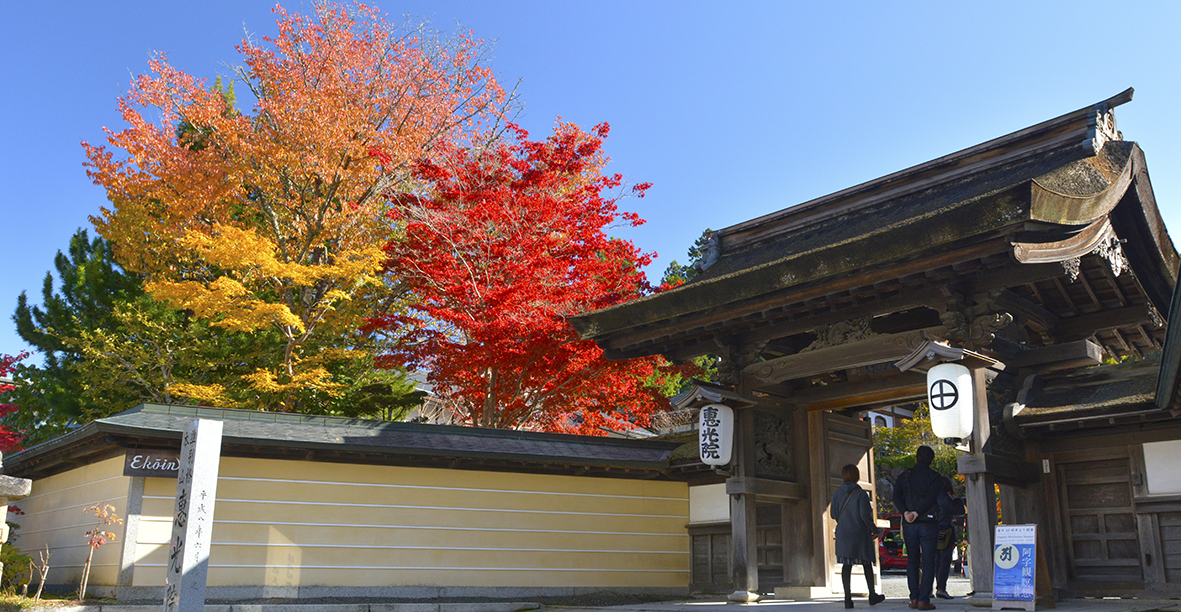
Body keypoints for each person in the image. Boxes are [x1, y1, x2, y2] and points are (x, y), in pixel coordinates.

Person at [892, 445, 942, 610]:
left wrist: (906, 512)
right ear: (931, 461)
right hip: (928, 523)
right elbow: (931, 498)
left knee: (912, 561)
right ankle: (923, 599)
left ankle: (913, 598)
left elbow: (896, 496)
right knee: (928, 562)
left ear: (916, 459)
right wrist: (917, 512)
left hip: (909, 524)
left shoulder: (904, 476)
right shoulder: (935, 477)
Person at [831, 463, 885, 608]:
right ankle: (872, 595)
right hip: (860, 533)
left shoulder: (837, 493)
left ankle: (847, 599)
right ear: (856, 476)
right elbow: (865, 515)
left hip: (843, 533)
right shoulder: (861, 494)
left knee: (846, 565)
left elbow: (833, 514)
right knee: (866, 563)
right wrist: (874, 529)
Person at [934, 476, 966, 599]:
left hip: (932, 530)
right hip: (945, 530)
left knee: (934, 561)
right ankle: (941, 588)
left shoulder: (931, 497)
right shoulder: (945, 498)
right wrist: (957, 499)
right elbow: (960, 511)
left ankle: (930, 589)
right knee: (944, 561)